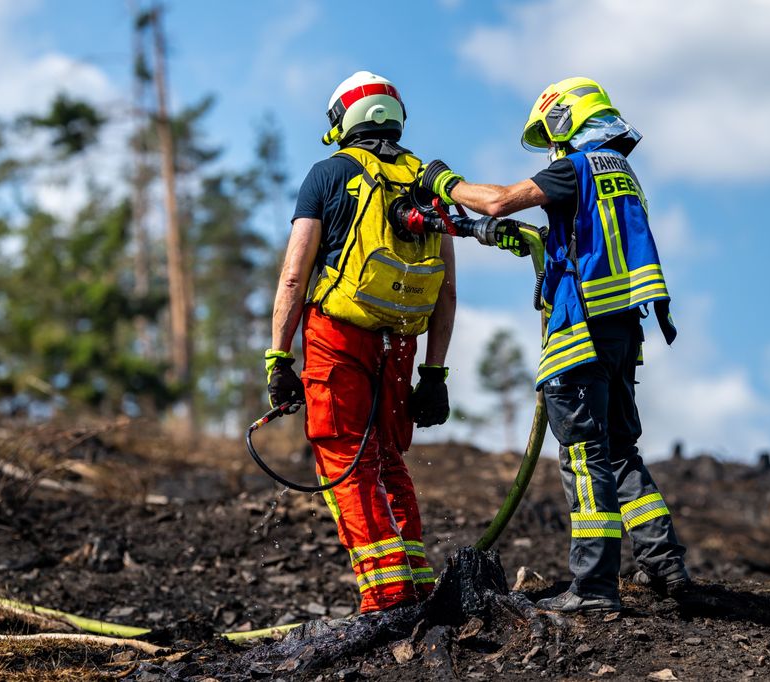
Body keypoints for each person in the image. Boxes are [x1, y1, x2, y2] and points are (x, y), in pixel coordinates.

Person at [418, 77, 688, 613]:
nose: (550, 149)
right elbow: (578, 241)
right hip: (621, 333)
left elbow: (498, 202)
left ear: (567, 119)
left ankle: (592, 589)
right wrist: (491, 236)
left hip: (579, 336)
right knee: (619, 451)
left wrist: (445, 182)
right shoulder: (622, 175)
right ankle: (665, 565)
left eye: (551, 135)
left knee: (585, 459)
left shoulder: (575, 167)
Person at [266, 71, 457, 614]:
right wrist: (435, 375)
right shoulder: (428, 178)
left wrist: (279, 357)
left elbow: (292, 277)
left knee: (344, 454)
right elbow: (446, 292)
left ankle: (387, 597)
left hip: (338, 334)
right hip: (400, 342)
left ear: (342, 120)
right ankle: (417, 583)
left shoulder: (328, 175)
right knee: (386, 456)